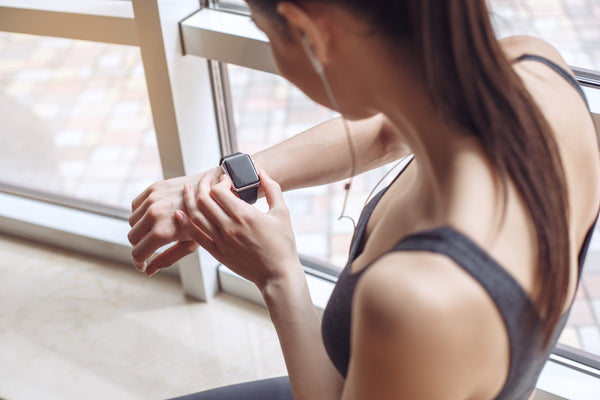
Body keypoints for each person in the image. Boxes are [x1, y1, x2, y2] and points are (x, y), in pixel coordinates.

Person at [127, 1, 600, 399]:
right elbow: (388, 128)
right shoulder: (536, 69)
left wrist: (278, 276)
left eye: (266, 31)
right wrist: (225, 182)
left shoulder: (415, 299)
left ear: (311, 30)